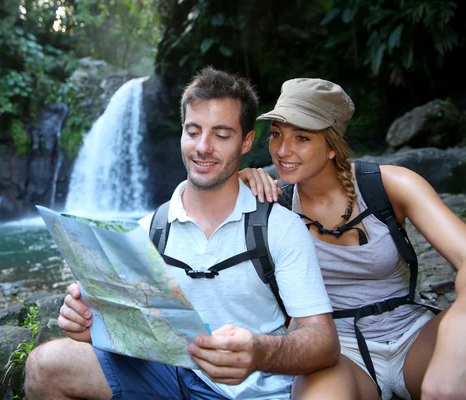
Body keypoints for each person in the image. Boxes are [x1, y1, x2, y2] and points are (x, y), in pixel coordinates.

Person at [24, 67, 339, 400]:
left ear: (246, 141)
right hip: (164, 378)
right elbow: (129, 330)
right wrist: (89, 324)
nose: (202, 147)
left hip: (248, 391)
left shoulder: (280, 227)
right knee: (46, 364)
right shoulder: (145, 231)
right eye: (193, 131)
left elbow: (323, 341)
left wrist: (260, 352)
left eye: (221, 134)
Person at [239, 77, 466, 400]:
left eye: (301, 137)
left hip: (413, 335)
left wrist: (456, 342)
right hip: (335, 350)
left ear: (332, 147)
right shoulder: (272, 201)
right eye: (276, 135)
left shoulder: (389, 185)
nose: (282, 150)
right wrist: (234, 182)